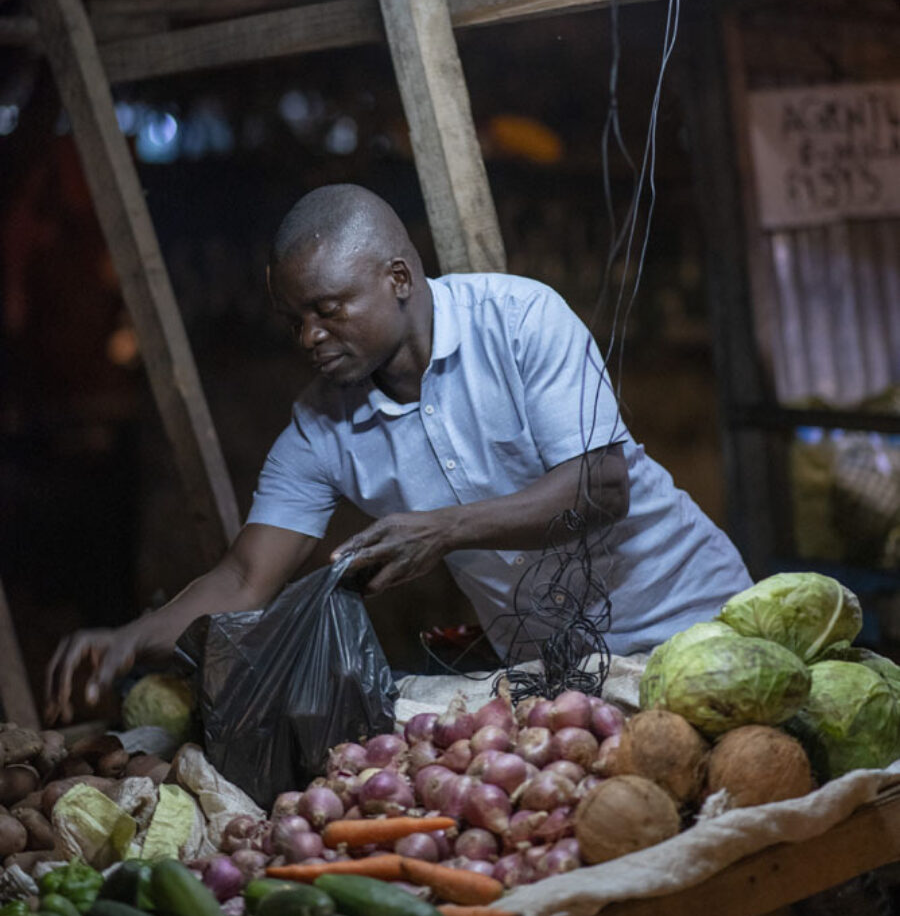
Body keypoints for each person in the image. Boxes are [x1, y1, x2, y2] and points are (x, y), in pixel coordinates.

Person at [46, 184, 751, 723]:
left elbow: (600, 486)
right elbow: (242, 577)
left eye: (329, 309)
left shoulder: (520, 321)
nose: (310, 337)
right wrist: (132, 636)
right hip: (565, 679)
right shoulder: (320, 428)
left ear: (399, 279)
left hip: (694, 620)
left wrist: (444, 530)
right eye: (295, 321)